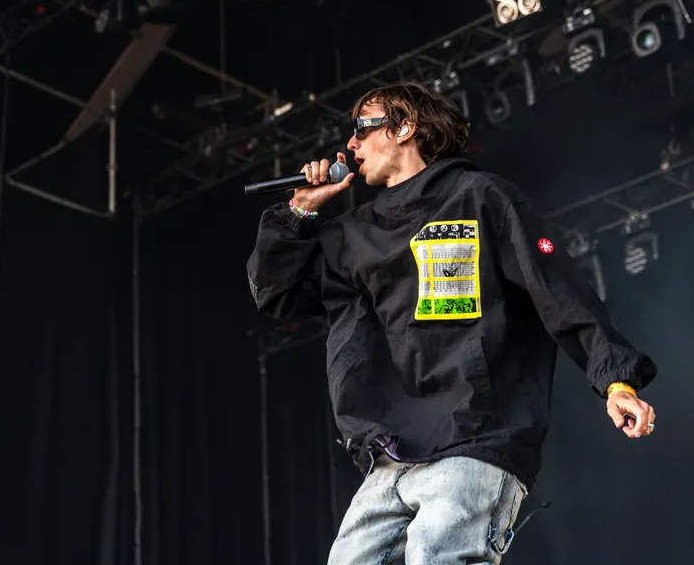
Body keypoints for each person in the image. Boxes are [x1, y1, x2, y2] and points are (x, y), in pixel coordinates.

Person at [245, 82, 657, 565]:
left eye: (362, 128)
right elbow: (276, 293)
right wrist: (299, 210)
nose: (351, 143)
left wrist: (616, 381)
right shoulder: (352, 235)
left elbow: (557, 288)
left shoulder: (480, 198)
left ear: (404, 127)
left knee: (437, 557)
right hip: (390, 455)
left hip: (474, 437)